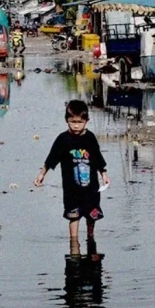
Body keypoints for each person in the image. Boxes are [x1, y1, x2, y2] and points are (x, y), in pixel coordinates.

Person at [34, 100, 110, 254]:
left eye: (80, 122)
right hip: (71, 189)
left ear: (86, 121)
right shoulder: (63, 140)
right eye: (72, 122)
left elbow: (97, 158)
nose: (76, 126)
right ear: (66, 120)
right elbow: (52, 158)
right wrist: (42, 174)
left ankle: (90, 238)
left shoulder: (90, 138)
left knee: (91, 216)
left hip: (91, 188)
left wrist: (104, 174)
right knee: (73, 217)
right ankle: (74, 246)